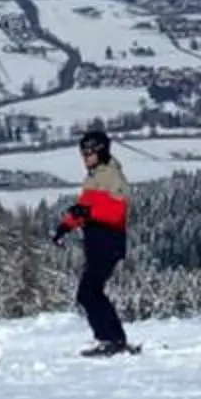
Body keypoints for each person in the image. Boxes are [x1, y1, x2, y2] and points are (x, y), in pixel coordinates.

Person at [54, 127, 135, 354]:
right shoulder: (93, 177)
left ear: (101, 152)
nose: (85, 158)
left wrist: (88, 213)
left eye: (89, 154)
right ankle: (113, 339)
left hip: (109, 240)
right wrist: (65, 226)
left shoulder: (112, 176)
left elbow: (117, 212)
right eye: (83, 154)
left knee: (88, 292)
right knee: (92, 292)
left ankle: (111, 340)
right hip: (97, 241)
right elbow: (85, 210)